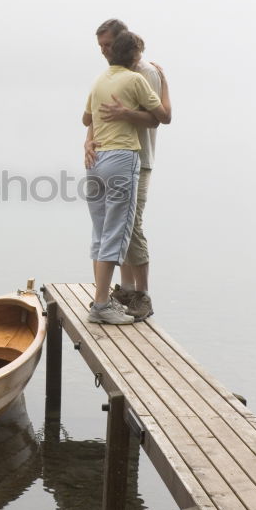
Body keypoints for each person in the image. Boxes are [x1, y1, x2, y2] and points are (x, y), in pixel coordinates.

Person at [83, 30, 171, 324]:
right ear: (134, 53)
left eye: (106, 45)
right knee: (118, 230)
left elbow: (88, 116)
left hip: (98, 161)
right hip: (121, 158)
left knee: (105, 230)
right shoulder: (134, 78)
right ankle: (103, 303)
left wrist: (92, 137)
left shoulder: (101, 79)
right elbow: (163, 117)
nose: (103, 50)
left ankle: (110, 296)